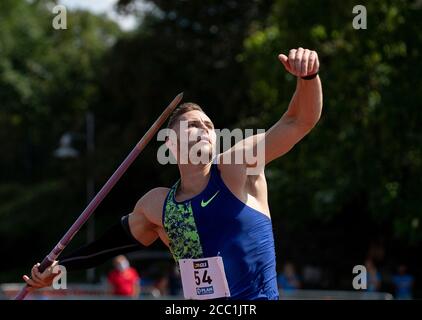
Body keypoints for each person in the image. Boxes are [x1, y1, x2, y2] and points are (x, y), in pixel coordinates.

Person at [23, 47, 323, 300]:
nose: (205, 130)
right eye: (194, 125)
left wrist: (308, 77)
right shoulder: (157, 206)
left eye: (208, 126)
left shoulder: (236, 167)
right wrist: (60, 268)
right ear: (169, 142)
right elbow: (106, 246)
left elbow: (297, 122)